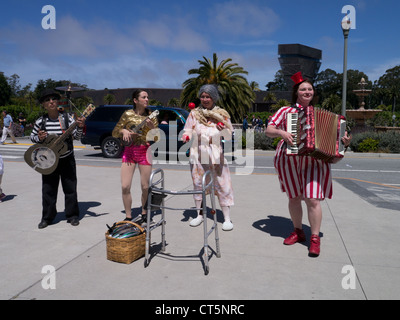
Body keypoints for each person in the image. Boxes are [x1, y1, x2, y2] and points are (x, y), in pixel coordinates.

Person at [265, 72, 351, 257]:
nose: (307, 91)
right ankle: (298, 231)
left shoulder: (324, 115)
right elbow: (269, 130)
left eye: (309, 89)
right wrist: (282, 133)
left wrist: (343, 143)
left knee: (313, 199)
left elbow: (336, 143)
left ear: (313, 92)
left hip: (314, 162)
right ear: (297, 92)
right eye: (303, 89)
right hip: (289, 161)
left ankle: (314, 238)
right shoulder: (285, 112)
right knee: (294, 197)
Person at [182, 84, 234, 231]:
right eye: (203, 96)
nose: (205, 99)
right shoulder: (194, 114)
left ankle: (227, 218)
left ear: (214, 98)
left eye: (208, 96)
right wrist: (186, 136)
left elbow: (229, 136)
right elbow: (188, 129)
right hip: (197, 154)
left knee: (222, 184)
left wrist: (223, 130)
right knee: (198, 183)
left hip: (216, 154)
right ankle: (199, 215)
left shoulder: (222, 114)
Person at [31, 89, 85, 229]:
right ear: (43, 104)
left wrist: (80, 126)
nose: (51, 102)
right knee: (48, 189)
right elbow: (33, 138)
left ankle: (72, 215)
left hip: (67, 159)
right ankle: (47, 217)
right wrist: (39, 137)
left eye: (53, 99)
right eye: (47, 100)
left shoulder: (67, 118)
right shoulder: (40, 121)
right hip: (49, 160)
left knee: (70, 188)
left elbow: (77, 137)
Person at [112, 89, 158, 225]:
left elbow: (157, 137)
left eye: (147, 97)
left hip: (145, 151)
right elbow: (115, 132)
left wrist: (151, 128)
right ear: (135, 100)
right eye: (144, 97)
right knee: (125, 186)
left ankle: (144, 212)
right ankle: (128, 216)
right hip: (129, 152)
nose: (147, 100)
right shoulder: (127, 114)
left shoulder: (152, 116)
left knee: (145, 187)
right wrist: (123, 130)